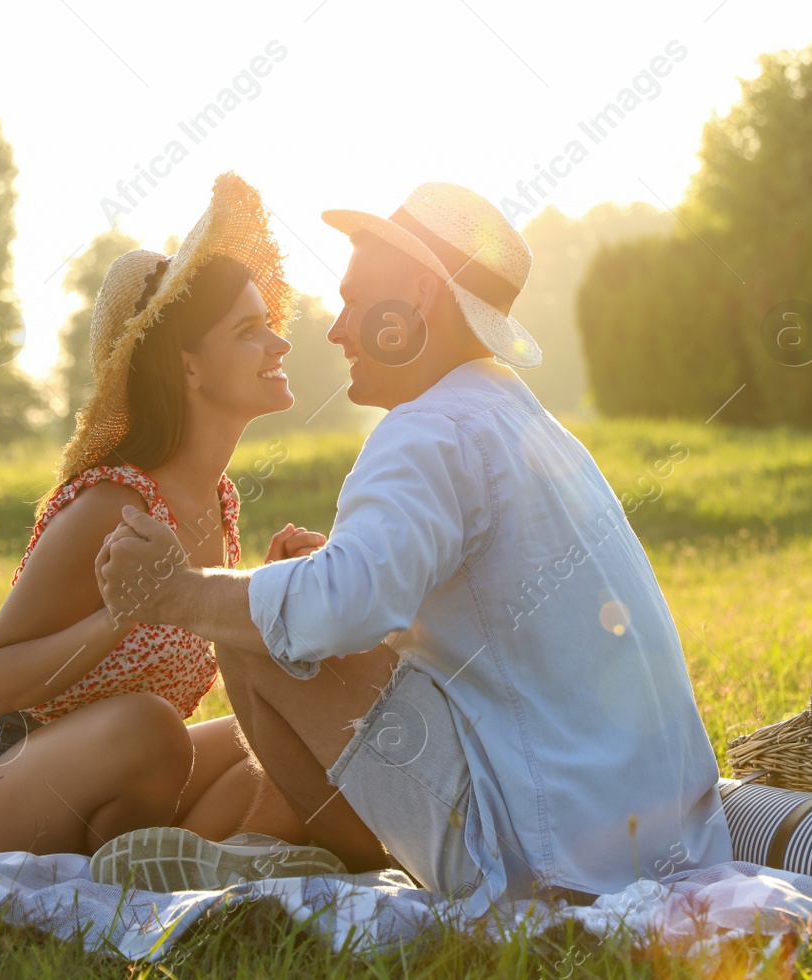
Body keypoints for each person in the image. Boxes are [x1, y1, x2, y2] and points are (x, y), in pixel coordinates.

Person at [95, 182, 732, 910]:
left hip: (546, 857)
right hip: (644, 839)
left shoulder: (429, 429)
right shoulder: (516, 422)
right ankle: (289, 847)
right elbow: (468, 611)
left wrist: (177, 592)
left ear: (420, 298)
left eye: (358, 301)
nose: (337, 331)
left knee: (251, 630)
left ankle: (302, 856)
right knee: (279, 604)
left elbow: (343, 608)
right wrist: (336, 566)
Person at [0, 173, 342, 881]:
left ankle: (178, 862)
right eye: (249, 330)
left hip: (116, 776)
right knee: (150, 728)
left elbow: (193, 638)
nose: (280, 345)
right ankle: (170, 855)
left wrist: (263, 591)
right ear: (189, 367)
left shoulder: (218, 502)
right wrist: (121, 614)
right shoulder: (113, 506)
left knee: (294, 732)